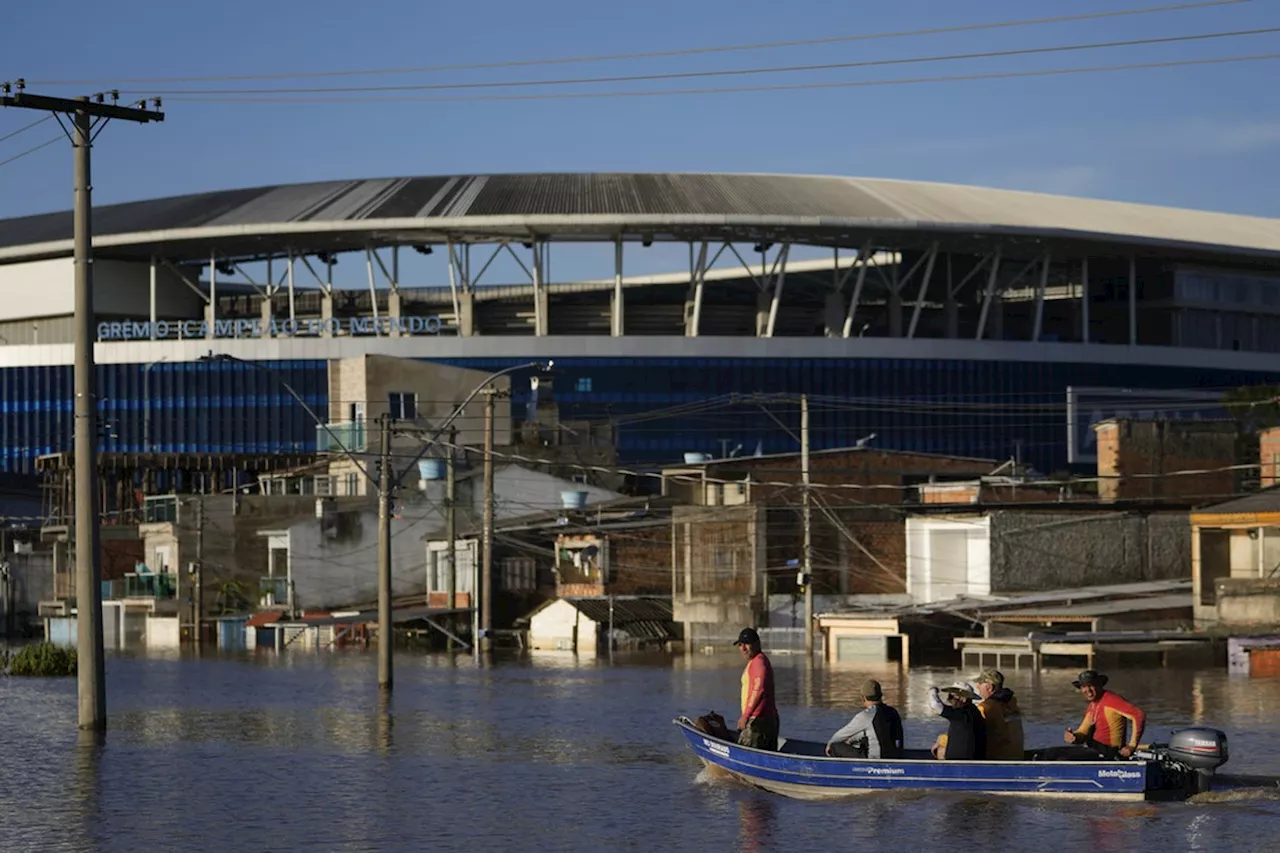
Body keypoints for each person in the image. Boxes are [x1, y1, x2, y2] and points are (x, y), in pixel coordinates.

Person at [1063, 669, 1146, 759]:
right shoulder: (1092, 706)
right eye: (1083, 687)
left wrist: (1132, 746)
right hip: (1094, 752)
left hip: (1111, 754)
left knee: (1063, 758)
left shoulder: (1112, 700)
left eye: (1091, 685)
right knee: (1054, 753)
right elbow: (1083, 733)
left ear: (1099, 685)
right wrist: (1073, 737)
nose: (1088, 690)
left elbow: (1138, 715)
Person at [824, 679, 904, 759]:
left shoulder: (866, 715)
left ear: (863, 698)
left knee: (835, 746)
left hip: (875, 760)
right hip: (896, 757)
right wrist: (851, 740)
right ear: (881, 695)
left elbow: (842, 734)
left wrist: (830, 743)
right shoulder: (893, 712)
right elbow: (878, 733)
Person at [734, 627, 779, 751]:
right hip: (764, 720)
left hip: (758, 721)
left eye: (746, 644)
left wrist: (746, 716)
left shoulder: (758, 662)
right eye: (740, 645)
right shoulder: (756, 662)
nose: (743, 648)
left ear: (757, 644)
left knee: (746, 753)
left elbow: (759, 689)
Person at [973, 669, 1025, 761]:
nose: (977, 687)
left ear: (989, 687)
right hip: (1017, 755)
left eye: (980, 683)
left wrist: (943, 740)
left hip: (997, 758)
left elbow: (970, 733)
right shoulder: (1011, 703)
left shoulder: (985, 708)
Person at [927, 682, 987, 761]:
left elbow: (935, 705)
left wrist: (932, 690)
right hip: (971, 760)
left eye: (952, 696)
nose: (949, 699)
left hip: (961, 763)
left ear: (963, 699)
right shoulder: (973, 712)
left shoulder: (962, 714)